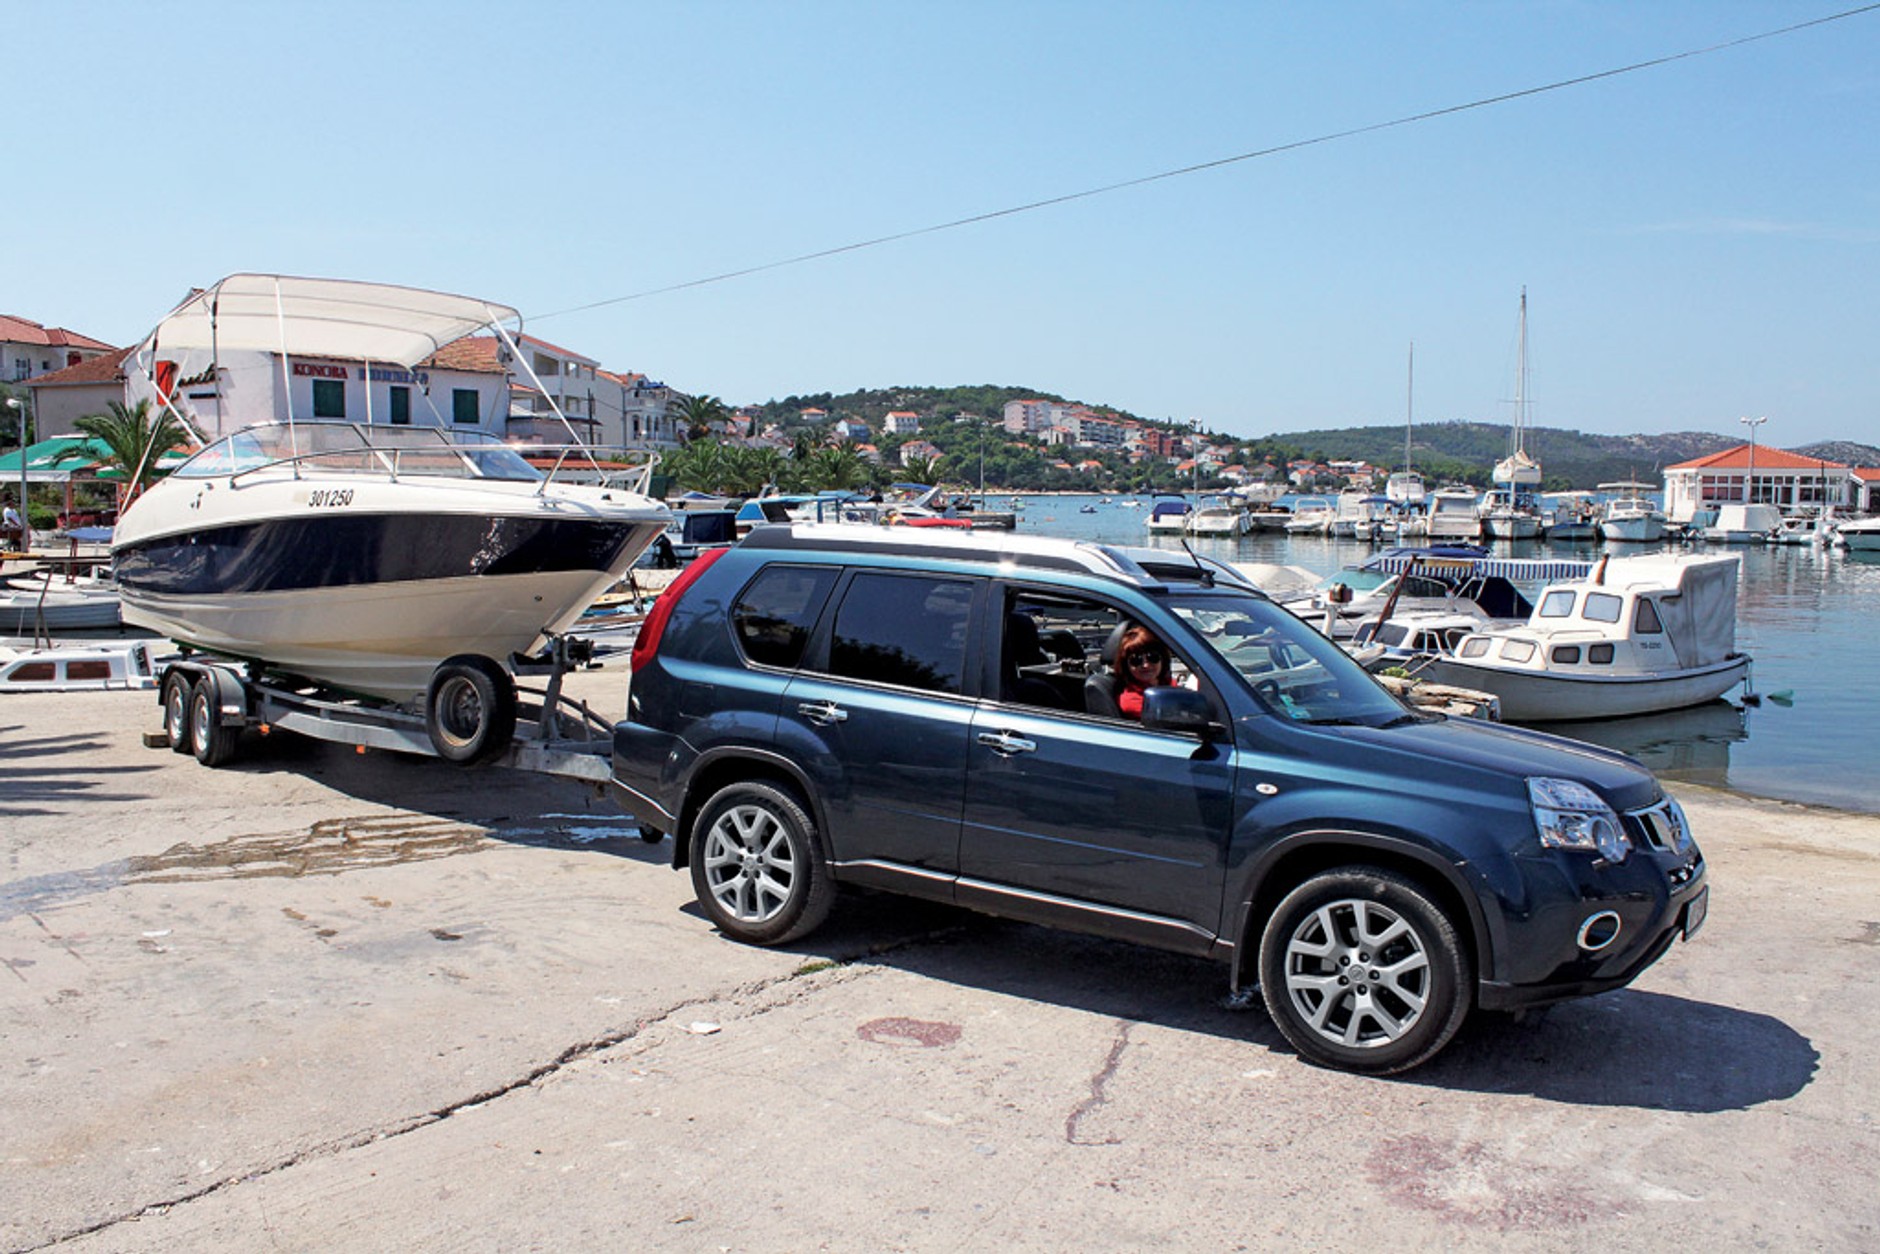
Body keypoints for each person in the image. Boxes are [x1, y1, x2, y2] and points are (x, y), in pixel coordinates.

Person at [1114, 623, 1172, 719]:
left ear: (1163, 659)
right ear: (1126, 666)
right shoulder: (1131, 700)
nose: (1146, 665)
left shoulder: (1168, 683)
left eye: (1152, 657)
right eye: (1136, 660)